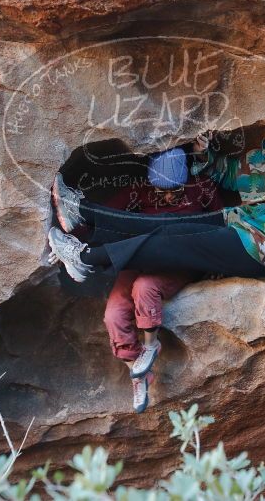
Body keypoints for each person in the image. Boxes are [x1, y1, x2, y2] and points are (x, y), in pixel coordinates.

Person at [46, 109, 265, 289]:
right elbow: (227, 172)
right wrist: (202, 152)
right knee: (169, 223)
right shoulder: (261, 161)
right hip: (237, 224)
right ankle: (83, 212)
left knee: (175, 241)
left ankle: (85, 258)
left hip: (263, 251)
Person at [100, 148, 223, 413]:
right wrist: (72, 238)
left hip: (178, 261)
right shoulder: (139, 189)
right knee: (113, 314)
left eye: (174, 192)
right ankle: (138, 372)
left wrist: (216, 262)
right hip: (141, 257)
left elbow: (221, 224)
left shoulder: (201, 187)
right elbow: (104, 215)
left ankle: (150, 345)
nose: (167, 196)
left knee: (145, 287)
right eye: (161, 192)